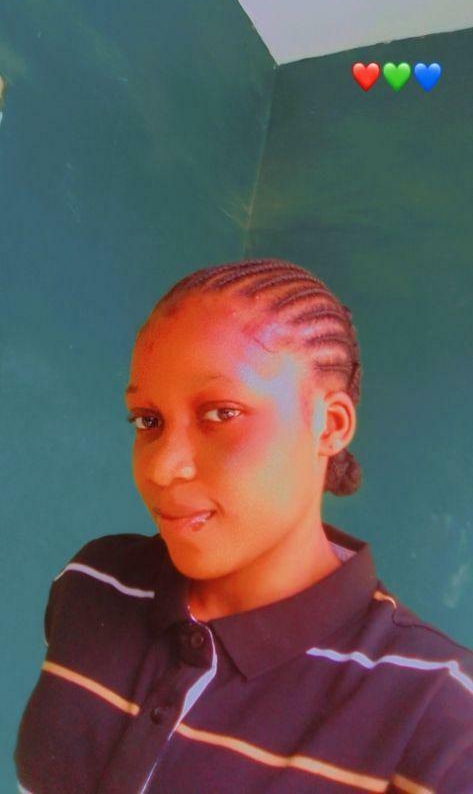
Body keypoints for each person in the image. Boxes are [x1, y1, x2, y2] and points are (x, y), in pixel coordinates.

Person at [15, 257, 473, 793]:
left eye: (221, 413)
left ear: (329, 425)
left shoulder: (440, 714)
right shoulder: (94, 584)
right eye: (148, 420)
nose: (163, 468)